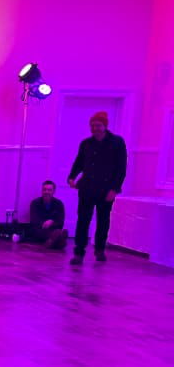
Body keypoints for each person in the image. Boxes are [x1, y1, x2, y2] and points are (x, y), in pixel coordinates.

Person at [68, 111, 127, 265]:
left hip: (106, 189)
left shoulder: (117, 142)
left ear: (105, 126)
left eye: (98, 125)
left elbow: (121, 168)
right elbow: (79, 161)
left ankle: (99, 249)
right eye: (92, 125)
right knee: (83, 220)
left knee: (103, 221)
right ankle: (78, 252)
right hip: (87, 187)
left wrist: (114, 189)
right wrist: (72, 176)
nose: (95, 128)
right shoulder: (86, 143)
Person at [25, 180, 68, 250]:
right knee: (42, 231)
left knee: (55, 231)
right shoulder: (35, 203)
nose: (46, 192)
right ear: (41, 191)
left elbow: (60, 222)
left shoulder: (59, 204)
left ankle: (52, 240)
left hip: (53, 228)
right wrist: (44, 224)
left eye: (49, 190)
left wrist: (51, 223)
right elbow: (34, 220)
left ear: (54, 192)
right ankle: (59, 238)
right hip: (39, 230)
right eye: (44, 190)